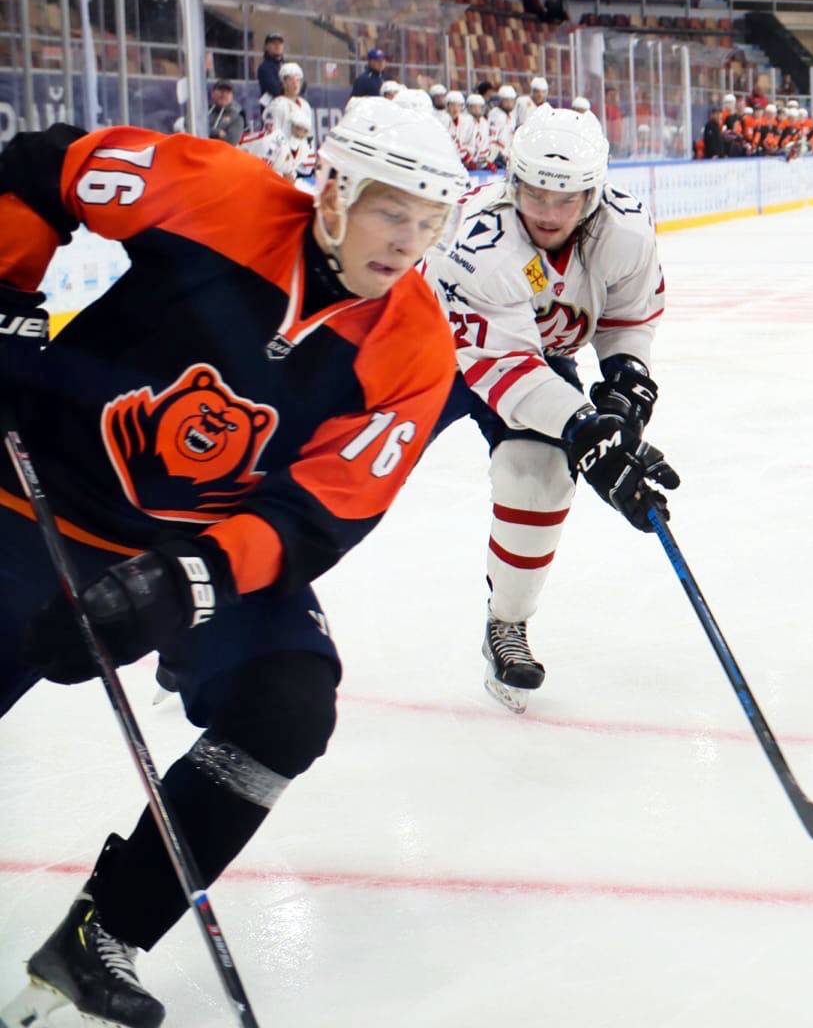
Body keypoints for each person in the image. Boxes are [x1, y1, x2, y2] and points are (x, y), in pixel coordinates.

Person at [0, 99, 466, 1026]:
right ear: (333, 193)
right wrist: (8, 292)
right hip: (38, 492)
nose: (407, 242)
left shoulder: (415, 346)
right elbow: (43, 166)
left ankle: (106, 932)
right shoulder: (217, 191)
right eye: (390, 211)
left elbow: (320, 512)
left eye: (428, 223)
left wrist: (187, 585)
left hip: (199, 543)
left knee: (288, 705)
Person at [425, 105, 674, 712]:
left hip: (532, 358)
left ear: (594, 194)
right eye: (535, 193)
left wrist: (623, 382)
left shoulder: (626, 232)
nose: (548, 212)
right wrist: (586, 430)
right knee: (350, 474)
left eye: (566, 199)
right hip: (424, 358)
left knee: (537, 476)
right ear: (513, 181)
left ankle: (506, 622)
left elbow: (628, 317)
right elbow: (502, 369)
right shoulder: (480, 242)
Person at [263, 62, 313, 142]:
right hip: (283, 148)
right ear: (283, 83)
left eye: (298, 80)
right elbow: (270, 137)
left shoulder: (305, 105)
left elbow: (309, 137)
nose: (295, 84)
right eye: (291, 80)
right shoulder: (276, 106)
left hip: (302, 149)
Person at [207, 79, 244, 145]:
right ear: (212, 93)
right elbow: (193, 130)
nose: (224, 94)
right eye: (220, 90)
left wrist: (208, 131)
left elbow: (231, 141)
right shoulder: (204, 111)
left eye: (228, 91)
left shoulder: (236, 118)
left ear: (232, 96)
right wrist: (218, 133)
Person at [255, 32, 285, 105]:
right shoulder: (264, 67)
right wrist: (291, 89)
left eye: (280, 43)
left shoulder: (288, 65)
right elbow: (275, 90)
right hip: (272, 108)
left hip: (289, 107)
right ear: (266, 47)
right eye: (273, 43)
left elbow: (303, 84)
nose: (277, 46)